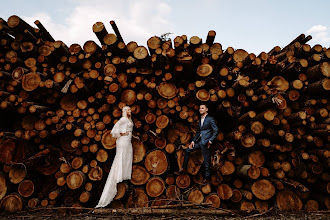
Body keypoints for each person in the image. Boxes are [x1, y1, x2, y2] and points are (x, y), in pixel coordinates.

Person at [96, 106, 137, 208]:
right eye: (128, 110)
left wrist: (131, 135)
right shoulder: (123, 119)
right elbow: (114, 131)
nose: (130, 111)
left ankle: (122, 174)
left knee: (126, 159)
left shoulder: (128, 119)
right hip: (123, 142)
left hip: (128, 142)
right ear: (124, 111)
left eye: (130, 110)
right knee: (120, 158)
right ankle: (118, 176)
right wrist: (123, 133)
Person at [176, 104, 218, 184]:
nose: (200, 109)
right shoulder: (201, 120)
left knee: (206, 161)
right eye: (200, 108)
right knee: (188, 150)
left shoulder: (210, 119)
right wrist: (193, 141)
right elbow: (198, 132)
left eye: (202, 108)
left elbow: (216, 131)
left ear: (206, 109)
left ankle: (207, 178)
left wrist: (211, 140)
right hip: (199, 142)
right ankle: (183, 169)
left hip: (206, 143)